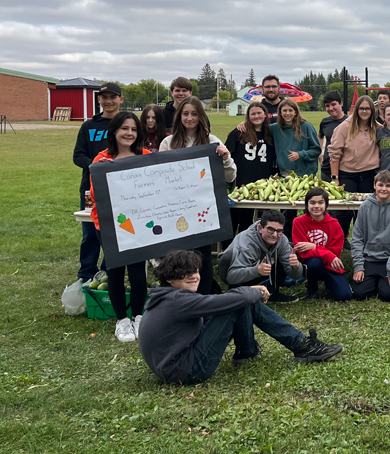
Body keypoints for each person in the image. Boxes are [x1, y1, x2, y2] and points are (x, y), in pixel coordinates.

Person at [139, 249, 342, 385]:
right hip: (186, 371)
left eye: (195, 271)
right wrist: (255, 291)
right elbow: (224, 302)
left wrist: (247, 292)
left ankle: (249, 353)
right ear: (169, 278)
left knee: (238, 300)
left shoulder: (169, 296)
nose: (194, 276)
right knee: (238, 302)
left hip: (172, 366)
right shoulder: (178, 300)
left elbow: (215, 303)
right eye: (185, 273)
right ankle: (301, 346)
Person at [161, 96, 238, 295]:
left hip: (204, 210)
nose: (189, 118)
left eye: (194, 113)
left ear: (201, 116)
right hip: (175, 210)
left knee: (201, 257)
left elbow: (230, 176)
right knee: (176, 256)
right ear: (179, 116)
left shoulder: (212, 142)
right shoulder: (168, 142)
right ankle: (177, 297)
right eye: (185, 113)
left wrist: (226, 158)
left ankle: (202, 301)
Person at [89, 112, 152, 342]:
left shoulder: (145, 156)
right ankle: (121, 321)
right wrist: (103, 172)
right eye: (124, 128)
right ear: (114, 131)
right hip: (108, 225)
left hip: (138, 224)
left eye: (134, 129)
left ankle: (138, 317)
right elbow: (95, 196)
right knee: (115, 272)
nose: (129, 133)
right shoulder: (101, 159)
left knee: (137, 273)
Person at [73, 82, 123, 283]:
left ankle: (108, 270)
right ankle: (86, 272)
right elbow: (78, 155)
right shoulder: (89, 126)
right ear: (99, 99)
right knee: (90, 233)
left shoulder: (126, 124)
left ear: (120, 99)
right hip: (90, 190)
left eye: (113, 97)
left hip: (119, 189)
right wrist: (96, 165)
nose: (108, 101)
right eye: (104, 97)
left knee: (113, 231)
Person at [220, 210, 304, 304]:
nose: (275, 235)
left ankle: (272, 294)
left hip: (259, 269)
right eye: (270, 229)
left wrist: (296, 267)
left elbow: (295, 276)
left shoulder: (282, 240)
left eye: (279, 231)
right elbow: (231, 277)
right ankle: (236, 291)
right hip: (231, 272)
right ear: (260, 228)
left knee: (287, 255)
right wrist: (257, 270)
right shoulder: (247, 243)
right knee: (237, 281)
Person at [351, 170, 390, 302]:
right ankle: (372, 281)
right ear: (374, 185)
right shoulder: (365, 206)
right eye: (381, 185)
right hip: (369, 258)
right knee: (359, 294)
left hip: (388, 259)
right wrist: (359, 267)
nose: (384, 189)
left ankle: (380, 281)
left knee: (388, 295)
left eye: (388, 186)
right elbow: (357, 238)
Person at [224, 103, 278, 245]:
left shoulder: (271, 133)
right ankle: (229, 250)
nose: (256, 116)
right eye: (252, 114)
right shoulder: (239, 133)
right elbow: (227, 154)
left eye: (259, 113)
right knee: (237, 219)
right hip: (242, 184)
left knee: (261, 220)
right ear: (248, 116)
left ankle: (254, 248)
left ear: (265, 114)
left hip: (264, 185)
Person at [328, 95, 380, 240]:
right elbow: (334, 153)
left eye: (368, 108)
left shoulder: (375, 126)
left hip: (369, 174)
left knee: (365, 211)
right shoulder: (344, 127)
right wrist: (334, 178)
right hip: (348, 174)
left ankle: (361, 240)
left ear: (372, 110)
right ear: (356, 109)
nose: (364, 111)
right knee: (345, 210)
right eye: (361, 108)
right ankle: (340, 239)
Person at [292, 188, 353, 302]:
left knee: (345, 296)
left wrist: (314, 247)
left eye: (320, 202)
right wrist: (327, 253)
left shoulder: (334, 225)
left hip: (330, 265)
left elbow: (335, 253)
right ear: (306, 204)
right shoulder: (298, 222)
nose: (316, 206)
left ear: (326, 205)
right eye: (312, 202)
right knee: (315, 262)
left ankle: (329, 283)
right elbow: (303, 252)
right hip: (310, 265)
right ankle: (312, 288)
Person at [318, 90, 348, 182]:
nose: (331, 108)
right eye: (327, 106)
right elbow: (320, 136)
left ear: (341, 103)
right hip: (327, 167)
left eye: (333, 104)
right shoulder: (325, 122)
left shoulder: (349, 122)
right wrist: (320, 154)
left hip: (345, 168)